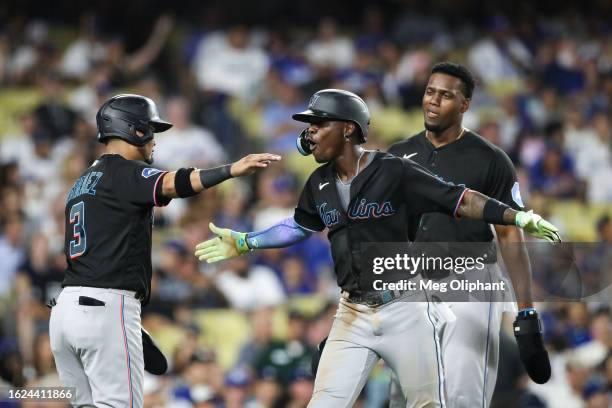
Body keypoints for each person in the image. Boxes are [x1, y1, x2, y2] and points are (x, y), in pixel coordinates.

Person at [195, 89, 560, 407]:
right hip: (352, 312)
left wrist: (516, 217)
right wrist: (247, 242)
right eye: (309, 126)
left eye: (318, 124)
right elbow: (299, 225)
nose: (309, 133)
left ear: (348, 128)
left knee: (429, 404)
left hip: (406, 309)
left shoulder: (393, 169)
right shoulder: (318, 182)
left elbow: (459, 200)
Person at [49, 94, 280, 408]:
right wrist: (231, 171)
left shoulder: (82, 182)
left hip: (65, 311)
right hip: (105, 307)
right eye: (150, 129)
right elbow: (175, 183)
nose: (154, 139)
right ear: (135, 130)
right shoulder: (122, 172)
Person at [387, 61, 551, 408]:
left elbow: (510, 235)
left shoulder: (490, 160)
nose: (433, 100)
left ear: (465, 105)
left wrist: (526, 311)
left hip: (470, 276)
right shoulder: (398, 155)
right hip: (413, 279)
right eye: (430, 91)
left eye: (446, 95)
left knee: (462, 393)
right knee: (405, 394)